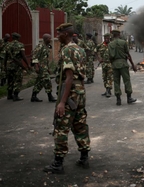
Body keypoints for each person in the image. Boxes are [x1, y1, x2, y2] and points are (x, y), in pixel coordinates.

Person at [44, 23, 90, 174]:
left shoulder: (67, 50)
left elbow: (69, 77)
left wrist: (62, 102)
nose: (57, 36)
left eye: (59, 33)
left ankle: (58, 164)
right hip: (79, 93)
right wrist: (80, 94)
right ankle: (84, 157)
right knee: (80, 124)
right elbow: (82, 76)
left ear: (66, 34)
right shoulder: (80, 49)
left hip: (69, 92)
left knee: (61, 127)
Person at [109, 29, 137, 106]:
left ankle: (118, 99)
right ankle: (129, 98)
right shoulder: (123, 42)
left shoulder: (110, 44)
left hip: (115, 64)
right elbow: (128, 55)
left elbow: (110, 57)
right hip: (123, 64)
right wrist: (133, 65)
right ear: (119, 34)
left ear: (113, 35)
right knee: (127, 81)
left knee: (116, 82)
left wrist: (113, 64)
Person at [4, 33, 31, 101]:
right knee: (17, 80)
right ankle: (16, 95)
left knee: (10, 80)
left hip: (9, 65)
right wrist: (27, 64)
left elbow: (6, 56)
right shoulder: (20, 45)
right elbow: (23, 56)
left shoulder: (8, 45)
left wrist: (4, 66)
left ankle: (9, 95)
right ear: (18, 38)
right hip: (17, 65)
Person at [30, 34, 57, 102]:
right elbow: (34, 56)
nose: (50, 39)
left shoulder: (46, 47)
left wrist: (48, 68)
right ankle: (50, 96)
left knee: (39, 82)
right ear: (45, 39)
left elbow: (45, 59)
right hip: (40, 67)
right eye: (49, 38)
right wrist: (36, 67)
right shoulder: (40, 46)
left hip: (44, 67)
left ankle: (34, 96)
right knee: (47, 80)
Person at [97, 33, 114, 97]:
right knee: (104, 77)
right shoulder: (100, 45)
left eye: (108, 38)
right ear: (104, 38)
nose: (107, 39)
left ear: (109, 38)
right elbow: (95, 51)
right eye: (106, 38)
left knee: (109, 77)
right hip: (103, 64)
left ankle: (108, 91)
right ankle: (107, 90)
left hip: (110, 63)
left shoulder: (112, 45)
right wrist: (99, 59)